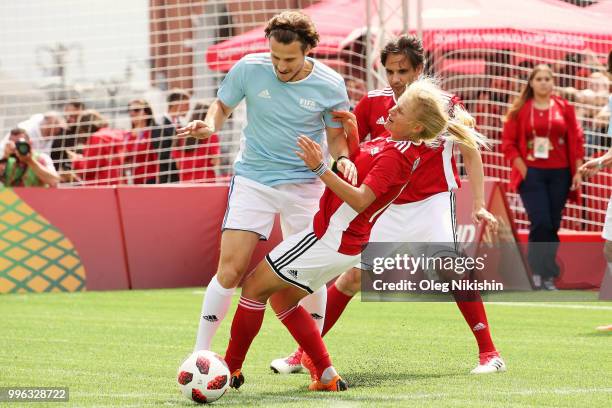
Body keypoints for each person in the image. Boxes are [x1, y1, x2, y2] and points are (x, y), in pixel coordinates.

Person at [223, 76, 487, 392]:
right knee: (283, 299)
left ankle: (229, 369)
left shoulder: (397, 155)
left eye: (400, 111)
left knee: (253, 287)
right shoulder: (392, 143)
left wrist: (319, 168)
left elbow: (362, 199)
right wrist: (354, 135)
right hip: (340, 240)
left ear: (417, 128)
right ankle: (325, 374)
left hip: (329, 237)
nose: (391, 111)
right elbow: (364, 163)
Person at [271, 35, 504, 376]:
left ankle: (490, 354)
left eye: (403, 70)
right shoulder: (372, 103)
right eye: (390, 71)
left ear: (420, 69)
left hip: (432, 202)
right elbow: (354, 149)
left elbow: (470, 149)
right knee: (351, 279)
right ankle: (303, 353)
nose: (396, 79)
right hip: (386, 206)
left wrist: (480, 205)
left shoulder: (444, 104)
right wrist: (346, 155)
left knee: (452, 267)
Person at [177, 11, 356, 354]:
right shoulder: (249, 67)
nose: (281, 65)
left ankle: (304, 356)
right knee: (230, 270)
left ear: (308, 50)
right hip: (254, 179)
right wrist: (210, 125)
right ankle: (200, 353)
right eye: (275, 56)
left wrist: (343, 159)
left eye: (289, 58)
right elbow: (222, 106)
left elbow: (336, 138)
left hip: (306, 185)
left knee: (309, 274)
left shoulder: (330, 84)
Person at [502, 64, 584, 290]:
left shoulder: (564, 107)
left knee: (553, 224)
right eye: (539, 78)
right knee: (541, 222)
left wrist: (577, 170)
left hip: (560, 173)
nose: (544, 82)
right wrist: (524, 168)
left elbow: (576, 140)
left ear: (553, 81)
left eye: (548, 78)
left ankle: (547, 275)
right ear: (531, 82)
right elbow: (508, 144)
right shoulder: (519, 110)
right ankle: (539, 273)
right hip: (532, 174)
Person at [68, 110, 126, 186]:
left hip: (100, 186)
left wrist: (75, 160)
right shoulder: (114, 134)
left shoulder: (97, 138)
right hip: (118, 183)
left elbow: (87, 168)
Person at [172, 101, 220, 182]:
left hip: (185, 183)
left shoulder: (183, 134)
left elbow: (178, 165)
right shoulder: (211, 135)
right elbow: (215, 161)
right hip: (206, 181)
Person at [153, 89, 190, 183]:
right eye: (186, 104)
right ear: (176, 103)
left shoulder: (183, 124)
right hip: (167, 179)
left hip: (183, 177)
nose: (188, 108)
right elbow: (162, 154)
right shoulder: (159, 124)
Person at [124, 99, 159, 184]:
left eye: (136, 110)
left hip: (151, 180)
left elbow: (157, 159)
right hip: (133, 181)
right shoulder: (126, 135)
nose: (132, 113)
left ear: (146, 113)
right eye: (129, 110)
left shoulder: (153, 133)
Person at [1, 112, 66, 158]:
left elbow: (45, 157)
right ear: (48, 122)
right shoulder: (25, 129)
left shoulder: (51, 133)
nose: (56, 132)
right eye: (56, 128)